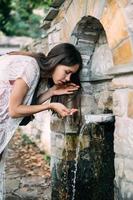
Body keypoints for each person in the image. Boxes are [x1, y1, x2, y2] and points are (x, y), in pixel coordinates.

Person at [0, 43, 82, 198]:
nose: (68, 78)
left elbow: (22, 106)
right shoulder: (30, 67)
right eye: (67, 72)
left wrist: (51, 92)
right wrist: (50, 105)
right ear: (57, 61)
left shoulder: (35, 69)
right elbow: (14, 110)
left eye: (71, 75)